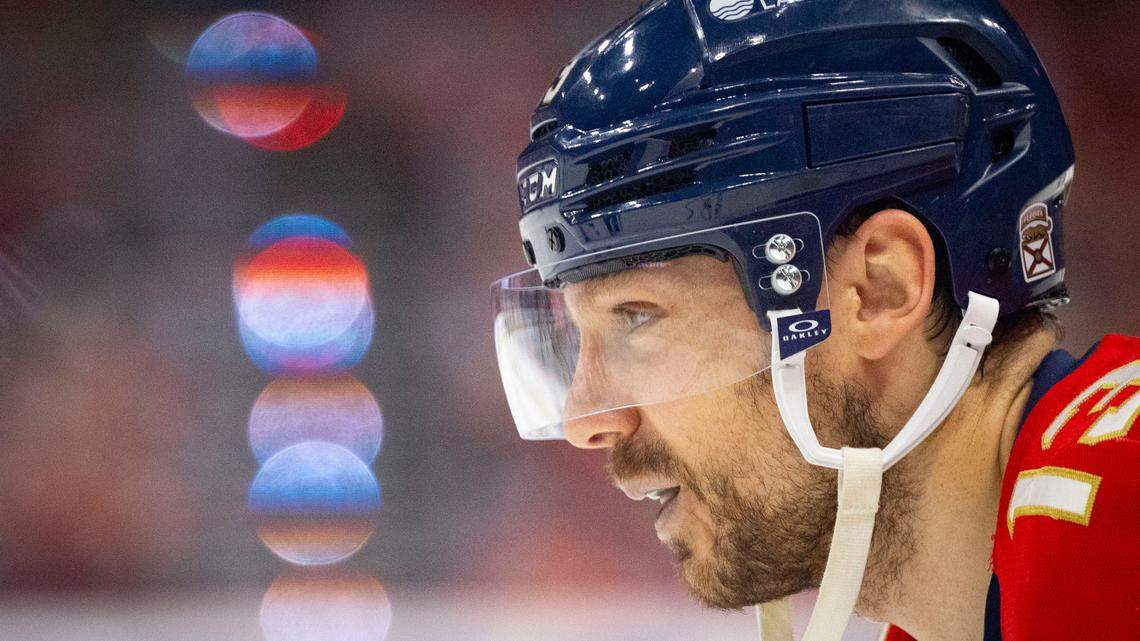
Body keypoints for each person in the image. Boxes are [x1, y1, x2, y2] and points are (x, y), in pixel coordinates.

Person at [490, 1, 1138, 640]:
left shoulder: (1117, 498)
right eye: (579, 335)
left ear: (878, 289)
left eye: (637, 316)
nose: (585, 419)